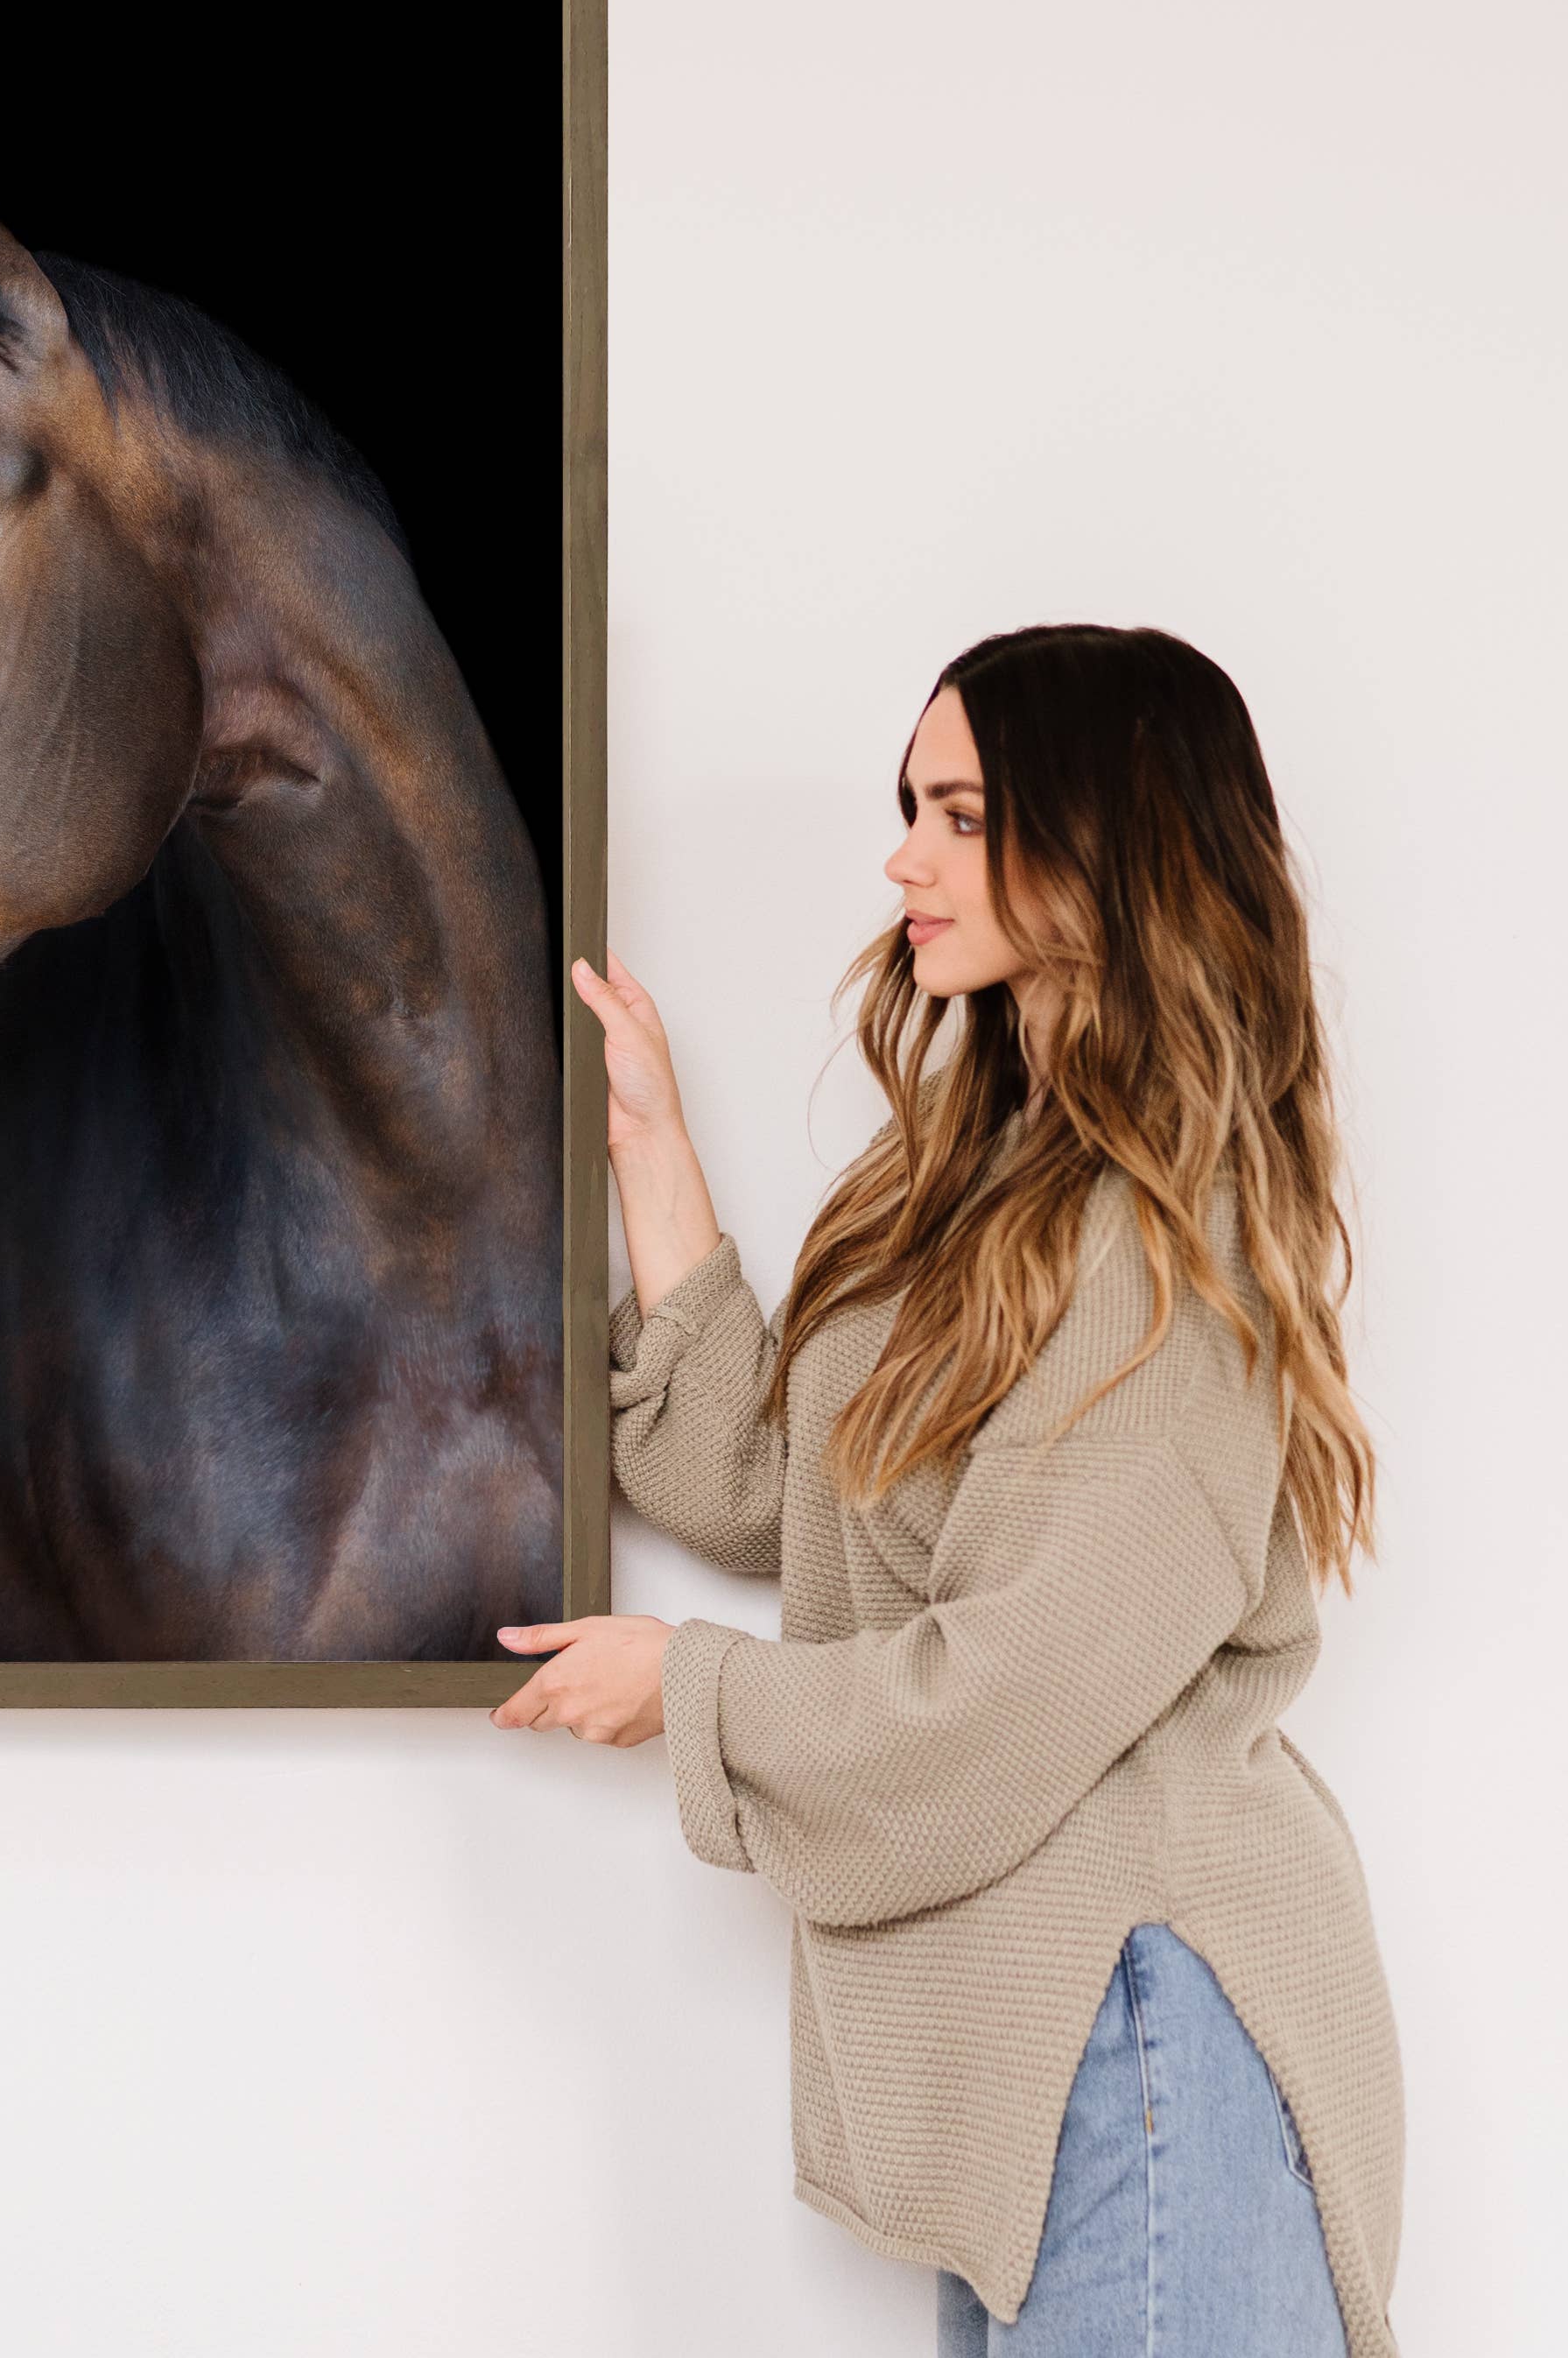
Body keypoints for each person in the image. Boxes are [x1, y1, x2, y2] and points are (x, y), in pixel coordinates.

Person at [491, 626, 1401, 2357]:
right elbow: (794, 1491)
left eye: (964, 814)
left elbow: (1004, 1699)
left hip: (1145, 2040)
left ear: (1106, 841)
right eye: (911, 805)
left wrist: (685, 1687)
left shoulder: (1161, 1257)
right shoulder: (986, 1196)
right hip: (1049, 2059)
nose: (905, 856)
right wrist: (652, 1153)